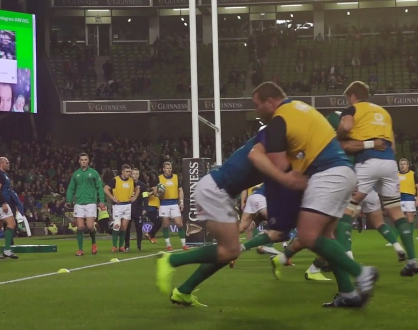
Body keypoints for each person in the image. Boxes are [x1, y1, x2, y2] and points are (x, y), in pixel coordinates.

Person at [249, 81, 379, 308]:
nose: (256, 110)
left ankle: (361, 272)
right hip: (342, 172)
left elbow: (280, 165)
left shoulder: (280, 120)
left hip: (327, 174)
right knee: (327, 238)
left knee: (308, 236)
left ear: (271, 102)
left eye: (257, 105)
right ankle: (347, 293)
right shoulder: (301, 108)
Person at [155, 133, 305, 307]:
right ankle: (171, 260)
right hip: (216, 190)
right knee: (230, 250)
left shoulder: (274, 145)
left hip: (222, 192)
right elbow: (268, 171)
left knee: (228, 251)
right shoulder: (274, 143)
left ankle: (183, 291)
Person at [335, 81, 418, 277]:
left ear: (353, 96)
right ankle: (413, 260)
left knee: (347, 209)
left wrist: (340, 133)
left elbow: (345, 127)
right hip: (389, 163)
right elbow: (394, 145)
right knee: (396, 212)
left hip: (368, 162)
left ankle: (346, 258)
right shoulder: (384, 113)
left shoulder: (353, 109)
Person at [66, 153, 106, 256]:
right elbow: (71, 188)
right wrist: (68, 200)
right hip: (79, 203)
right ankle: (80, 249)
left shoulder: (94, 173)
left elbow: (100, 187)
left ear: (88, 161)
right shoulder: (76, 174)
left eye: (85, 159)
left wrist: (101, 200)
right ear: (79, 161)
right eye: (82, 160)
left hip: (90, 203)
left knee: (90, 226)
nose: (83, 161)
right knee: (80, 227)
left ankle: (93, 243)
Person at [0, 157, 20, 260]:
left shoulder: (3, 175)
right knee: (11, 223)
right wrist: (3, 203)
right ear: (1, 164)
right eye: (7, 162)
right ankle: (7, 250)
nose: (9, 164)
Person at [153, 162, 188, 251]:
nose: (169, 170)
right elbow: (154, 192)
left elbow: (180, 190)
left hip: (174, 203)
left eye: (170, 168)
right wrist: (158, 193)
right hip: (164, 203)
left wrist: (181, 202)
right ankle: (168, 245)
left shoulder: (176, 177)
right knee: (166, 224)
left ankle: (184, 245)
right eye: (167, 168)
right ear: (163, 169)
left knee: (179, 224)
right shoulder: (159, 178)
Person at [104, 164, 139, 252]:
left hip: (127, 205)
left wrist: (134, 198)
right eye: (127, 172)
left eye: (129, 172)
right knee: (117, 225)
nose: (129, 173)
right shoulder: (115, 180)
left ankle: (121, 246)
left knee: (124, 227)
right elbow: (106, 188)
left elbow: (137, 189)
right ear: (122, 172)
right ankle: (114, 246)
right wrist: (113, 198)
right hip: (118, 206)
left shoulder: (131, 180)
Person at [125, 168, 148, 251]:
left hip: (138, 209)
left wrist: (145, 208)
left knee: (139, 228)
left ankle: (139, 245)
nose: (135, 175)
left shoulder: (143, 186)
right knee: (127, 228)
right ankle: (127, 246)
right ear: (131, 174)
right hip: (128, 209)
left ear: (139, 175)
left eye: (136, 174)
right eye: (133, 173)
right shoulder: (127, 183)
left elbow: (145, 198)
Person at [399, 158, 418, 228]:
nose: (402, 166)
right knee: (399, 219)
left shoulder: (412, 174)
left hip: (409, 198)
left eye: (404, 164)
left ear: (408, 165)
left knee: (410, 218)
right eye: (401, 164)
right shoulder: (396, 175)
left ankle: (410, 235)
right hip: (398, 198)